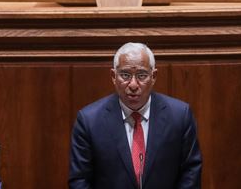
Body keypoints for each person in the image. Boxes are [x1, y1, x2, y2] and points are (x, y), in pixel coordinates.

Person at [69, 42, 202, 189]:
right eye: (125, 75)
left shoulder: (179, 116)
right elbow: (79, 181)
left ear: (154, 76)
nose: (133, 84)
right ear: (113, 76)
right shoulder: (89, 121)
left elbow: (190, 173)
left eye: (142, 75)